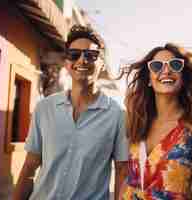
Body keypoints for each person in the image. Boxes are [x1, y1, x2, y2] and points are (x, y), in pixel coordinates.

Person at [13, 25, 128, 200]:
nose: (82, 60)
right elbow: (30, 166)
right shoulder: (44, 108)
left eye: (91, 55)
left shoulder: (117, 115)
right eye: (74, 55)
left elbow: (121, 172)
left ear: (102, 63)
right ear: (67, 62)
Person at [119, 43, 192, 199]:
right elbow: (129, 178)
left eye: (175, 65)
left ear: (183, 77)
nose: (166, 70)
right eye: (157, 66)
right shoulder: (139, 119)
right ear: (149, 80)